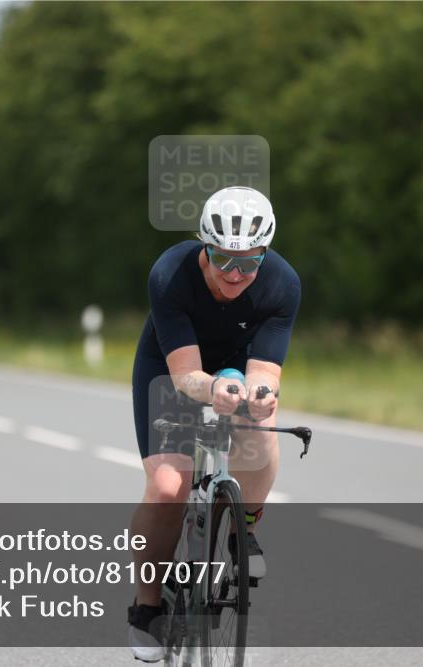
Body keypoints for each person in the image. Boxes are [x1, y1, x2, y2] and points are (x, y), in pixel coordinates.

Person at [127, 186, 301, 661]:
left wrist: (262, 396)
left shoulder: (282, 283)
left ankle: (242, 528)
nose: (237, 274)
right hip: (171, 367)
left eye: (250, 261)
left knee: (260, 438)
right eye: (225, 259)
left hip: (236, 367)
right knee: (168, 486)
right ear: (205, 247)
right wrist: (211, 390)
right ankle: (147, 607)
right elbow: (185, 376)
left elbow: (265, 372)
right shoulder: (170, 274)